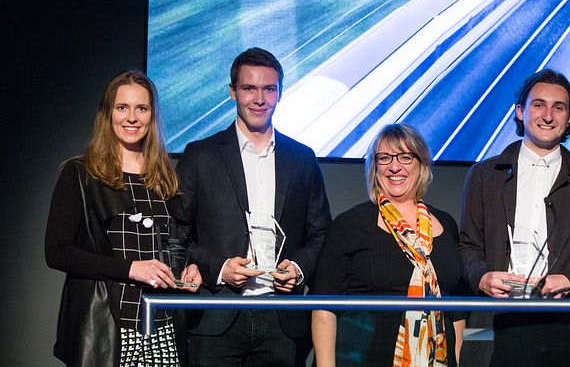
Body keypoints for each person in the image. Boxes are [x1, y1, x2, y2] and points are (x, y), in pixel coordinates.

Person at [177, 47, 332, 366]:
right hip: (215, 317)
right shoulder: (200, 156)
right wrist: (218, 267)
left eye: (268, 89)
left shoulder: (302, 159)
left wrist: (298, 268)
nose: (259, 98)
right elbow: (176, 235)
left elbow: (321, 234)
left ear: (279, 93)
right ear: (232, 92)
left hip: (283, 321)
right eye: (249, 88)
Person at [45, 70, 202, 366]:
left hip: (162, 327)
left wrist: (190, 267)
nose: (132, 117)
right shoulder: (81, 174)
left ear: (152, 115)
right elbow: (57, 252)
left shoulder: (166, 178)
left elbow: (182, 243)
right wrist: (131, 269)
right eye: (122, 108)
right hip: (108, 329)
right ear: (107, 114)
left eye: (141, 108)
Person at [459, 69, 570, 365]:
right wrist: (483, 278)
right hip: (498, 321)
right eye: (539, 105)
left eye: (559, 107)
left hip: (567, 327)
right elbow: (469, 246)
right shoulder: (485, 175)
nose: (548, 116)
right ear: (519, 112)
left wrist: (568, 279)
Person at [312, 123, 466, 367]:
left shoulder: (446, 224)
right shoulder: (349, 224)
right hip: (365, 358)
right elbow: (323, 309)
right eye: (384, 158)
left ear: (421, 163)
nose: (395, 167)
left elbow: (456, 307)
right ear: (374, 168)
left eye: (405, 157)